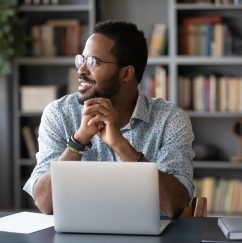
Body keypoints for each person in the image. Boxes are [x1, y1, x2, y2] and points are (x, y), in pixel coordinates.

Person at [23, 20, 194, 217]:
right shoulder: (59, 113)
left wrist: (120, 144)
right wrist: (78, 142)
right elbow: (44, 203)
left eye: (94, 62)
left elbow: (175, 205)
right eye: (82, 60)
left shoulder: (170, 120)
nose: (82, 70)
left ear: (126, 73)